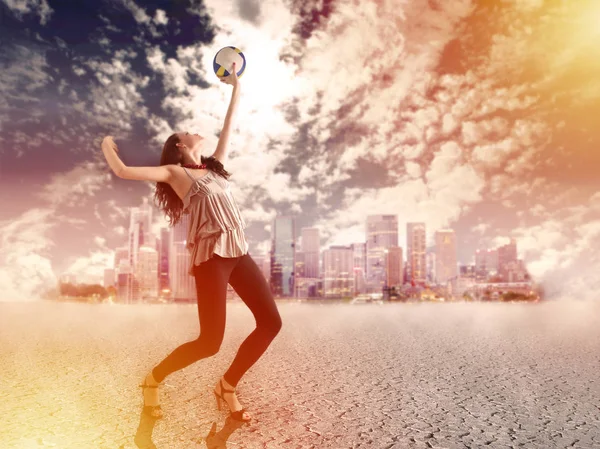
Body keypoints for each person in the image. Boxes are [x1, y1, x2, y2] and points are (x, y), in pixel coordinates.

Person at [100, 63, 282, 423]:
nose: (195, 129)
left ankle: (227, 385)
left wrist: (236, 86)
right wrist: (106, 145)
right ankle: (152, 380)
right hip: (211, 257)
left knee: (271, 323)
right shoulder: (174, 173)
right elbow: (122, 171)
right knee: (209, 342)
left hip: (238, 250)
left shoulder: (214, 169)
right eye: (186, 131)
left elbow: (230, 123)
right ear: (180, 145)